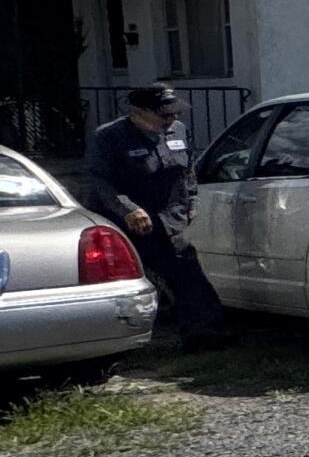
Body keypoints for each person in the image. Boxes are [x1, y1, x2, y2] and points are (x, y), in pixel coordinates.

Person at [78, 84, 230, 351]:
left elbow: (187, 171)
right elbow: (101, 181)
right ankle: (104, 341)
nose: (171, 119)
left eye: (174, 112)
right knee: (125, 280)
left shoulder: (178, 130)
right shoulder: (110, 137)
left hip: (169, 217)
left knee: (186, 271)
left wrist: (191, 200)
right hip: (126, 222)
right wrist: (127, 209)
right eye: (164, 114)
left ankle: (204, 332)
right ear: (139, 112)